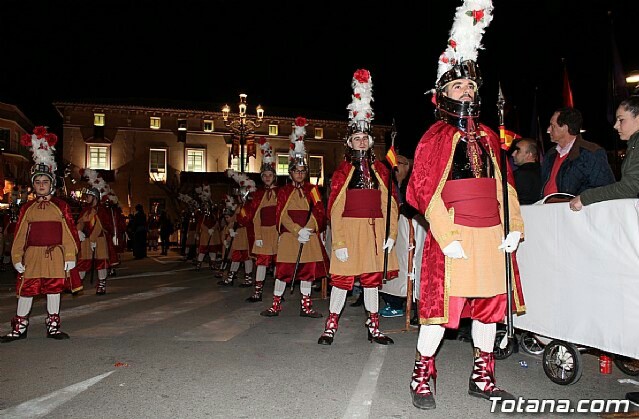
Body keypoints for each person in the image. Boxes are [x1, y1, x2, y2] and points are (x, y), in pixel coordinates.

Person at [405, 1, 525, 409]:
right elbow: (423, 190)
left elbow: (504, 185)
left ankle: (483, 375)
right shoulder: (433, 136)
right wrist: (445, 234)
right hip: (453, 232)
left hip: (491, 232)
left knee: (489, 308)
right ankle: (423, 373)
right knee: (442, 310)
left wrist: (514, 227)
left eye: (472, 87)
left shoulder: (491, 136)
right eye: (459, 86)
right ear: (442, 94)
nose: (468, 92)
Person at [318, 69, 399, 345]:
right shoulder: (342, 172)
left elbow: (391, 205)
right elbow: (334, 208)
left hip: (375, 233)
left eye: (365, 139)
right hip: (349, 233)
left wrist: (391, 234)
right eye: (357, 139)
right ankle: (331, 325)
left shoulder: (380, 170)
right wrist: (338, 240)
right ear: (349, 143)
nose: (361, 142)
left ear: (370, 142)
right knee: (342, 280)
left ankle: (374, 326)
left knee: (371, 281)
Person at [1, 126, 80, 343]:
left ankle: (53, 326)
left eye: (45, 182)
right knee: (27, 290)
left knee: (54, 290)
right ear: (34, 185)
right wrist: (17, 258)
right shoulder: (27, 208)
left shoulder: (60, 206)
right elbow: (19, 236)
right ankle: (19, 327)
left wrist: (70, 257)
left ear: (51, 184)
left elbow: (68, 233)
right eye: (37, 182)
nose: (41, 185)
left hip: (55, 255)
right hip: (33, 256)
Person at [260, 116, 327, 318]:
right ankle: (276, 305)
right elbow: (281, 214)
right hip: (291, 235)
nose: (299, 174)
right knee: (283, 271)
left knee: (307, 272)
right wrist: (297, 230)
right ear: (290, 173)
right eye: (296, 171)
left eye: (302, 171)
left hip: (309, 233)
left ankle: (306, 306)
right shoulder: (283, 191)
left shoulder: (313, 189)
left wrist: (309, 227)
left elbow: (319, 209)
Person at [570, 96, 639, 211]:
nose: (615, 126)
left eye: (621, 120)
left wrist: (585, 197)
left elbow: (629, 188)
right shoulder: (633, 144)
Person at [541, 107, 615, 199]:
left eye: (552, 126)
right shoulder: (550, 154)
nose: (548, 130)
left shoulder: (591, 153)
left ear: (565, 127)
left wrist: (578, 200)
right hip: (547, 210)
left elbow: (604, 187)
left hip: (575, 210)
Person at [379, 154, 415, 318]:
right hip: (394, 231)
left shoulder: (412, 184)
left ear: (407, 165)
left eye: (398, 163)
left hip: (410, 230)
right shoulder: (390, 185)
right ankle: (391, 301)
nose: (394, 167)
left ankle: (403, 302)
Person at [245, 138, 279, 302]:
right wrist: (257, 236)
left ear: (274, 176)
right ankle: (257, 291)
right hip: (264, 234)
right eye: (264, 175)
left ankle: (278, 294)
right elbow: (255, 217)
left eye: (269, 174)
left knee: (280, 264)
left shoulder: (281, 193)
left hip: (278, 233)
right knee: (262, 263)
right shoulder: (258, 195)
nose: (267, 177)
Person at [75, 185, 113, 295]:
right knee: (83, 262)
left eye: (89, 196)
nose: (87, 198)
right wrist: (79, 231)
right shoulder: (86, 210)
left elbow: (99, 226)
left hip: (99, 240)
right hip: (86, 240)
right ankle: (78, 284)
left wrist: (93, 239)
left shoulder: (101, 210)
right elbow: (81, 221)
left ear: (95, 197)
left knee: (101, 262)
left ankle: (101, 284)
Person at [511, 138, 542, 204]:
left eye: (518, 151)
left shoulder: (519, 175)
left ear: (529, 154)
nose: (513, 154)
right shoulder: (545, 172)